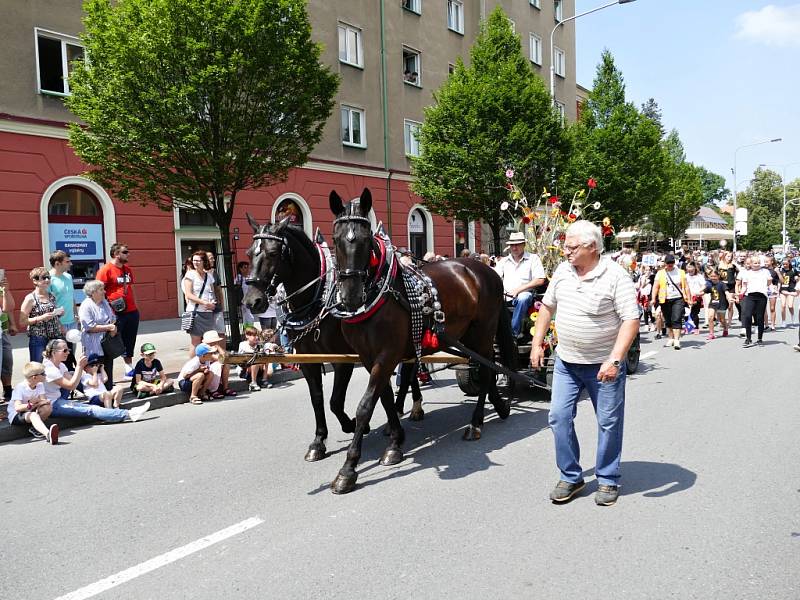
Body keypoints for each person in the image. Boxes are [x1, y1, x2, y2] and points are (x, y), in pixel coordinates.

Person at [530, 220, 639, 507]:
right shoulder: (563, 271)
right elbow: (547, 307)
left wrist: (615, 359)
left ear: (592, 247)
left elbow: (631, 319)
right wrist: (537, 342)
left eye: (571, 247)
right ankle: (571, 476)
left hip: (604, 365)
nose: (565, 251)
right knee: (558, 417)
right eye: (565, 246)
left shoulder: (615, 276)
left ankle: (607, 478)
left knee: (608, 422)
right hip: (567, 360)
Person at [43, 339, 150, 423]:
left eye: (69, 350)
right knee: (91, 410)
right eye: (65, 350)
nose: (68, 353)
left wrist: (81, 372)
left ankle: (113, 410)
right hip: (52, 405)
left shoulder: (60, 365)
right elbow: (71, 386)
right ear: (53, 352)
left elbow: (72, 381)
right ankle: (128, 414)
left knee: (90, 406)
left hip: (58, 399)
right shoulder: (50, 369)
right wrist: (80, 368)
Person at [96, 243, 139, 380]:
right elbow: (98, 291)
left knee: (129, 339)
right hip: (115, 312)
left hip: (131, 311)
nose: (128, 254)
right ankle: (107, 374)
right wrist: (104, 310)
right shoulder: (106, 270)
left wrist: (135, 305)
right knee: (112, 341)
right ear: (116, 254)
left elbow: (131, 288)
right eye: (125, 252)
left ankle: (128, 368)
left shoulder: (128, 270)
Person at [494, 231, 546, 337]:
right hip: (505, 295)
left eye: (517, 245)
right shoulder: (504, 261)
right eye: (512, 245)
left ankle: (512, 333)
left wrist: (519, 289)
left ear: (524, 245)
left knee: (523, 298)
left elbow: (540, 279)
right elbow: (494, 277)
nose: (514, 248)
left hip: (525, 294)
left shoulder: (533, 259)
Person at [78, 280, 118, 388]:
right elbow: (89, 327)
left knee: (108, 367)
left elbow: (113, 318)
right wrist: (108, 327)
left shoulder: (104, 302)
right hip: (93, 345)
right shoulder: (86, 306)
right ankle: (99, 395)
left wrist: (113, 326)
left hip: (107, 343)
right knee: (96, 369)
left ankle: (109, 392)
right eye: (101, 290)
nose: (104, 291)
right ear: (93, 292)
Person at [19, 267, 63, 362]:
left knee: (56, 366)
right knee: (38, 367)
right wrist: (41, 318)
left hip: (54, 336)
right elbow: (22, 321)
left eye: (48, 277)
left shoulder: (51, 296)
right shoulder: (30, 298)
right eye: (43, 278)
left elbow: (52, 314)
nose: (47, 280)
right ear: (35, 281)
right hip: (39, 338)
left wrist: (58, 313)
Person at [7, 361, 58, 444]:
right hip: (16, 415)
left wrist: (37, 403)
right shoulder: (20, 387)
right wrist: (30, 405)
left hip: (30, 409)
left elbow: (44, 401)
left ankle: (35, 429)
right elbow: (17, 408)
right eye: (43, 373)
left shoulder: (40, 385)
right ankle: (48, 434)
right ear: (34, 377)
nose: (45, 375)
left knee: (47, 407)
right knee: (33, 415)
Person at [182, 251, 220, 355]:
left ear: (204, 261)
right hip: (196, 312)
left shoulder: (209, 276)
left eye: (198, 260)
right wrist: (203, 302)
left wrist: (213, 303)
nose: (196, 263)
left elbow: (212, 292)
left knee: (209, 341)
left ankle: (206, 364)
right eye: (194, 260)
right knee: (196, 341)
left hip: (207, 313)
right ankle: (194, 366)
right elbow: (189, 295)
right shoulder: (190, 275)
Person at [651, 255, 690, 350]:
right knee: (668, 320)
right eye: (668, 263)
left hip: (678, 298)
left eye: (672, 263)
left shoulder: (681, 272)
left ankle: (677, 340)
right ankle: (670, 338)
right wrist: (653, 299)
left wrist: (689, 298)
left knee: (676, 318)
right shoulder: (660, 273)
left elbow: (686, 286)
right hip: (665, 299)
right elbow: (655, 287)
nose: (670, 265)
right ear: (665, 263)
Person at [48, 250, 77, 370]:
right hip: (59, 324)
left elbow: (72, 297)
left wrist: (76, 315)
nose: (70, 264)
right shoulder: (48, 279)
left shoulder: (68, 277)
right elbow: (49, 304)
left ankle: (70, 382)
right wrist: (59, 324)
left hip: (72, 322)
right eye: (67, 261)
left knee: (70, 355)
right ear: (57, 263)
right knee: (60, 357)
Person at [737, 257, 771, 347]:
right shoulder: (747, 273)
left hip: (761, 296)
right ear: (751, 264)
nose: (757, 264)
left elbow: (769, 281)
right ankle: (748, 338)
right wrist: (740, 293)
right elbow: (744, 286)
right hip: (750, 296)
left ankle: (759, 338)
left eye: (758, 262)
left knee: (760, 317)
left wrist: (766, 287)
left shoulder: (765, 272)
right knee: (748, 316)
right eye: (755, 263)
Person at [202, 330, 237, 398]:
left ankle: (225, 388)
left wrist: (218, 347)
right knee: (218, 364)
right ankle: (213, 390)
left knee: (226, 364)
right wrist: (218, 346)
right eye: (215, 341)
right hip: (206, 373)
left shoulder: (214, 348)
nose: (217, 342)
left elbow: (225, 358)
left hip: (212, 373)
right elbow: (220, 358)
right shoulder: (204, 349)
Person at [0, 272, 18, 401]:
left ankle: (7, 391)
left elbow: (8, 308)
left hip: (2, 330)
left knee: (7, 361)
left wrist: (6, 290)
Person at [705, 270, 731, 339]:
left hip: (722, 303)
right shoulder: (709, 284)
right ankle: (711, 334)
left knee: (722, 320)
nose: (713, 278)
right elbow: (704, 291)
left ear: (718, 276)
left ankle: (725, 328)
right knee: (710, 317)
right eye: (711, 276)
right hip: (713, 303)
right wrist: (697, 293)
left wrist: (729, 297)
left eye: (715, 276)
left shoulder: (722, 284)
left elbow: (726, 292)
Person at [685, 261, 706, 333]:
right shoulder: (685, 276)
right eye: (688, 268)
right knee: (686, 313)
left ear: (694, 268)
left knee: (694, 313)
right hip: (687, 296)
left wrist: (699, 291)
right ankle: (688, 327)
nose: (690, 270)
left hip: (696, 296)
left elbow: (704, 286)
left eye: (691, 268)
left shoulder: (699, 276)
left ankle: (696, 328)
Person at [778, 258, 798, 325]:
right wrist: (778, 290)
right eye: (783, 264)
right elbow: (779, 281)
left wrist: (796, 278)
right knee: (783, 305)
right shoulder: (781, 270)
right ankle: (783, 321)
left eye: (786, 264)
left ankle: (793, 317)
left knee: (790, 306)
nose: (785, 265)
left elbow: (797, 279)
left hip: (791, 289)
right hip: (783, 290)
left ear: (789, 263)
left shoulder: (793, 270)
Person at [765, 257, 781, 330]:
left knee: (772, 308)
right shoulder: (762, 270)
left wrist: (778, 272)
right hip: (763, 289)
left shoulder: (775, 270)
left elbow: (782, 280)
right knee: (763, 308)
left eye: (767, 261)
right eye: (764, 261)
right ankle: (766, 324)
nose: (765, 263)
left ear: (771, 262)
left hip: (772, 290)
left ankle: (773, 325)